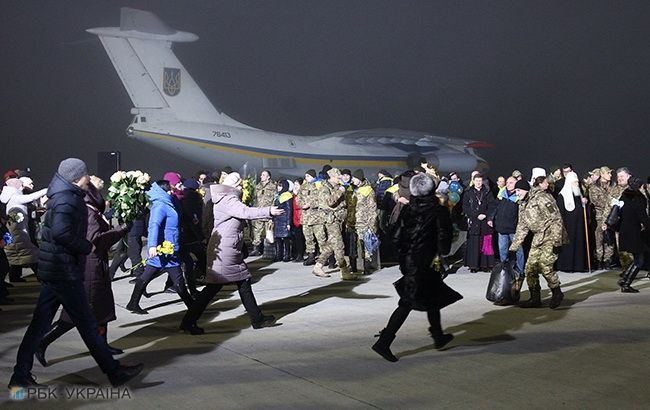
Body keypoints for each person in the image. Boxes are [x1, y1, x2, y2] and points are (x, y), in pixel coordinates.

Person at [8, 158, 143, 388]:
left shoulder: (63, 195)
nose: (88, 177)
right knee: (88, 325)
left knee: (40, 325)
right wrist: (86, 246)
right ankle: (114, 373)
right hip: (63, 271)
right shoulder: (67, 200)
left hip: (56, 269)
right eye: (86, 174)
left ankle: (20, 376)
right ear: (76, 177)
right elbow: (61, 233)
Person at [35, 178, 129, 366]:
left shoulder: (91, 210)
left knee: (101, 310)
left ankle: (103, 345)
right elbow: (95, 242)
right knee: (75, 315)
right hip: (89, 268)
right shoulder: (87, 212)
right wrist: (120, 231)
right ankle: (41, 342)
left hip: (95, 266)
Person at [371, 173, 461, 362]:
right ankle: (384, 342)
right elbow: (444, 239)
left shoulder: (408, 209)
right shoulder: (438, 211)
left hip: (409, 260)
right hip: (425, 261)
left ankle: (438, 335)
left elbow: (395, 235)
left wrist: (404, 252)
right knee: (407, 302)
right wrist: (440, 250)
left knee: (432, 295)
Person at [179, 172, 283, 334]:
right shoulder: (228, 199)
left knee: (242, 282)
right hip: (226, 249)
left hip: (227, 248)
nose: (242, 186)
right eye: (239, 184)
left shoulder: (224, 198)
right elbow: (246, 212)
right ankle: (189, 321)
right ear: (233, 186)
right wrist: (269, 210)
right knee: (214, 288)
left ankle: (257, 319)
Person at [126, 180, 194, 314]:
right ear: (163, 190)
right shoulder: (160, 205)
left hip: (168, 248)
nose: (171, 191)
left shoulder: (167, 202)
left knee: (149, 275)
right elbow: (154, 226)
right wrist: (152, 246)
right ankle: (193, 308)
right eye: (169, 189)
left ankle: (133, 303)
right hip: (164, 249)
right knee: (177, 278)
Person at [509, 174, 565, 309]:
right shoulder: (522, 204)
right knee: (530, 268)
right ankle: (535, 299)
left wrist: (557, 242)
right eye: (515, 191)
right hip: (538, 238)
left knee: (546, 267)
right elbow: (522, 227)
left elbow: (556, 219)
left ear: (526, 190)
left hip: (550, 237)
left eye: (518, 191)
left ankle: (557, 292)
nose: (517, 193)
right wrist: (513, 248)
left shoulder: (542, 198)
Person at [1, 178, 47, 282]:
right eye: (21, 185)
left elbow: (11, 218)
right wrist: (46, 190)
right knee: (32, 255)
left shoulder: (7, 198)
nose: (22, 187)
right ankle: (42, 278)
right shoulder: (16, 197)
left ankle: (14, 277)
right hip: (20, 233)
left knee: (16, 255)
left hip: (12, 232)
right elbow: (32, 197)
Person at [312, 168, 354, 279]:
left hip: (339, 220)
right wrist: (340, 191)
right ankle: (344, 271)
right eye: (338, 177)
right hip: (331, 220)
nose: (339, 179)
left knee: (330, 245)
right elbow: (330, 202)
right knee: (339, 245)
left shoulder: (335, 187)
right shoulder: (325, 188)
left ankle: (318, 266)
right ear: (332, 177)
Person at [616, 176, 650, 292]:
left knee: (637, 258)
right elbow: (643, 217)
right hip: (634, 232)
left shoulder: (624, 195)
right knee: (639, 260)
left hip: (624, 230)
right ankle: (626, 284)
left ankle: (624, 279)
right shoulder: (638, 199)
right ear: (639, 187)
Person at [462, 172, 496, 272]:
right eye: (476, 181)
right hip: (474, 221)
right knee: (474, 244)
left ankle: (486, 265)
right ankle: (474, 266)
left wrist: (486, 215)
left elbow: (492, 205)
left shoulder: (487, 192)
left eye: (480, 181)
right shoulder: (468, 193)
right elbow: (465, 207)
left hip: (485, 222)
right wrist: (476, 215)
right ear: (473, 181)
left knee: (486, 244)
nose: (478, 183)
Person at [556, 171, 588, 272]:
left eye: (577, 183)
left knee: (578, 244)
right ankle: (567, 266)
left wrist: (584, 203)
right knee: (568, 246)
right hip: (567, 227)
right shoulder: (562, 196)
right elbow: (560, 214)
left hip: (578, 226)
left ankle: (578, 266)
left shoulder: (578, 194)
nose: (577, 185)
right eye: (575, 183)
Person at [179, 178, 206, 297]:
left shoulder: (180, 198)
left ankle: (191, 288)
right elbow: (196, 219)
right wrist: (200, 235)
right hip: (192, 236)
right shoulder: (195, 199)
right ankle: (196, 284)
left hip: (183, 235)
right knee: (199, 259)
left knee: (184, 263)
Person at [493, 177, 525, 275]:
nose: (508, 184)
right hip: (502, 228)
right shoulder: (502, 195)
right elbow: (496, 209)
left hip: (514, 229)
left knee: (518, 250)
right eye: (507, 182)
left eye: (511, 182)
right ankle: (504, 269)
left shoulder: (519, 197)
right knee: (503, 251)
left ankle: (520, 270)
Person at [349, 169, 377, 275]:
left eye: (355, 178)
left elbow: (372, 208)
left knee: (366, 245)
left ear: (359, 179)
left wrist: (372, 224)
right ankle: (353, 267)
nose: (353, 180)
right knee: (353, 246)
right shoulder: (351, 189)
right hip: (352, 223)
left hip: (363, 222)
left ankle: (367, 267)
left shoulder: (368, 190)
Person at [588, 166, 615, 269]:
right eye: (608, 173)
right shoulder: (594, 187)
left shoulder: (613, 186)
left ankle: (608, 260)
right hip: (599, 216)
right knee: (599, 238)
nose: (610, 175)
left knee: (609, 238)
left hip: (612, 216)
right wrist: (609, 203)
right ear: (602, 174)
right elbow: (595, 201)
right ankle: (599, 259)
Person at [298, 170, 324, 266]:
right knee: (308, 238)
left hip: (317, 217)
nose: (307, 178)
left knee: (321, 238)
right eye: (306, 176)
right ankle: (311, 256)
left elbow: (322, 199)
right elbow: (299, 198)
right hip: (306, 217)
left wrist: (311, 204)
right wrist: (302, 205)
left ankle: (323, 257)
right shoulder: (303, 187)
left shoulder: (319, 185)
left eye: (308, 176)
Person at [249, 170, 275, 256]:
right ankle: (256, 249)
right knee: (256, 231)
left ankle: (269, 251)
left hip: (268, 213)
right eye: (261, 175)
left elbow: (275, 199)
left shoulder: (273, 187)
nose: (261, 176)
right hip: (259, 213)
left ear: (268, 177)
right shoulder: (257, 187)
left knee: (269, 232)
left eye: (263, 175)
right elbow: (254, 199)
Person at [273, 180, 293, 262]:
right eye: (278, 186)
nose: (278, 188)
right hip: (277, 220)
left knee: (286, 239)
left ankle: (286, 255)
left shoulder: (287, 196)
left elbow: (289, 210)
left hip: (284, 220)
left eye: (280, 186)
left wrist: (288, 223)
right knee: (277, 239)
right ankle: (278, 255)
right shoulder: (278, 196)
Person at [290, 179, 306, 262]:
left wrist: (297, 196)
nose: (295, 186)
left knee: (301, 238)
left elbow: (299, 205)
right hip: (295, 218)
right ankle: (297, 254)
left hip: (301, 218)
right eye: (294, 184)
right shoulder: (292, 195)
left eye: (297, 184)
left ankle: (301, 255)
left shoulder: (302, 194)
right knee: (296, 238)